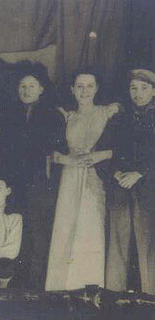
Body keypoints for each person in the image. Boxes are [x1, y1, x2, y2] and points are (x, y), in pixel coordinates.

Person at [45, 69, 120, 291]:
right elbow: (52, 153)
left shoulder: (108, 113)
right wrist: (66, 160)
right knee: (66, 227)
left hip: (94, 177)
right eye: (79, 86)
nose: (84, 91)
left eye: (89, 86)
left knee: (90, 228)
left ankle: (88, 287)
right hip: (69, 178)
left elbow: (119, 148)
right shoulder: (67, 117)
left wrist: (100, 155)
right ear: (72, 90)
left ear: (97, 88)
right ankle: (60, 287)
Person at [0, 61, 64, 289]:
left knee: (38, 231)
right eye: (22, 85)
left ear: (42, 88)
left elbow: (56, 151)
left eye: (32, 85)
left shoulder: (53, 115)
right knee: (15, 231)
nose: (26, 90)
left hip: (40, 181)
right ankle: (15, 280)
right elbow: (2, 150)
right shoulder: (7, 114)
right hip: (14, 182)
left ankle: (36, 284)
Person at [106, 69, 155, 295]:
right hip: (121, 188)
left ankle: (150, 295)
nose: (138, 93)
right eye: (133, 88)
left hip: (149, 189)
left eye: (144, 88)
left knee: (150, 243)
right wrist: (114, 173)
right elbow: (107, 151)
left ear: (153, 91)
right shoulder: (120, 119)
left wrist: (141, 173)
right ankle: (115, 295)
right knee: (117, 239)